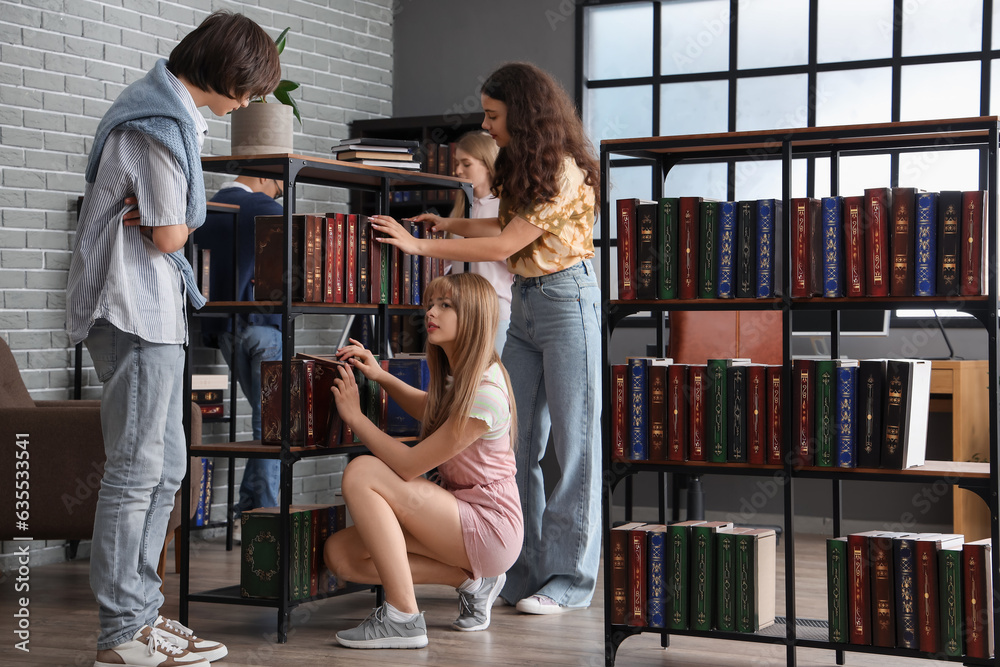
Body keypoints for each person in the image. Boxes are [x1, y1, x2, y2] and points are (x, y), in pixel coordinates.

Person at [64, 11, 281, 667]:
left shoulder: (172, 119)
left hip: (154, 311)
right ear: (227, 72)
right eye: (248, 86)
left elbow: (170, 221)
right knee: (135, 470)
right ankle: (120, 631)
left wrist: (179, 213)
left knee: (167, 466)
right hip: (131, 310)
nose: (248, 102)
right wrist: (182, 212)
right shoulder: (158, 126)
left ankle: (142, 613)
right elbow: (167, 232)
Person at [369, 62, 602, 615]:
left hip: (567, 301)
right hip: (524, 304)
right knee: (512, 448)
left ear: (523, 114)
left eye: (494, 115)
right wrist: (445, 225)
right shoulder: (526, 168)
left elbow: (504, 247)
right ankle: (516, 573)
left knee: (572, 448)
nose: (486, 124)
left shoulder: (565, 170)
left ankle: (568, 580)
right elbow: (500, 229)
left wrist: (420, 248)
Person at [324, 272, 522, 649]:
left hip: (490, 525)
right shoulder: (462, 375)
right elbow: (432, 409)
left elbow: (409, 466)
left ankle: (402, 617)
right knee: (342, 557)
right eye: (431, 303)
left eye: (446, 305)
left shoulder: (486, 392)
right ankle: (472, 582)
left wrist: (355, 418)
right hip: (458, 514)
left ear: (474, 317)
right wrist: (382, 377)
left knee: (363, 471)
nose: (431, 312)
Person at [195, 176, 285, 514]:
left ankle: (248, 504)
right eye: (278, 187)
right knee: (274, 425)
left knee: (266, 421)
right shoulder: (262, 207)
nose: (277, 195)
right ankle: (266, 514)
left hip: (226, 331)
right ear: (263, 177)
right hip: (264, 327)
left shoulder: (206, 208)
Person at [444, 131, 513, 355]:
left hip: (495, 311)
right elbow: (449, 262)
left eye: (466, 164)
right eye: (457, 163)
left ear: (487, 163)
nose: (458, 171)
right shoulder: (461, 208)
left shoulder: (505, 208)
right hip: (459, 312)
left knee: (494, 381)